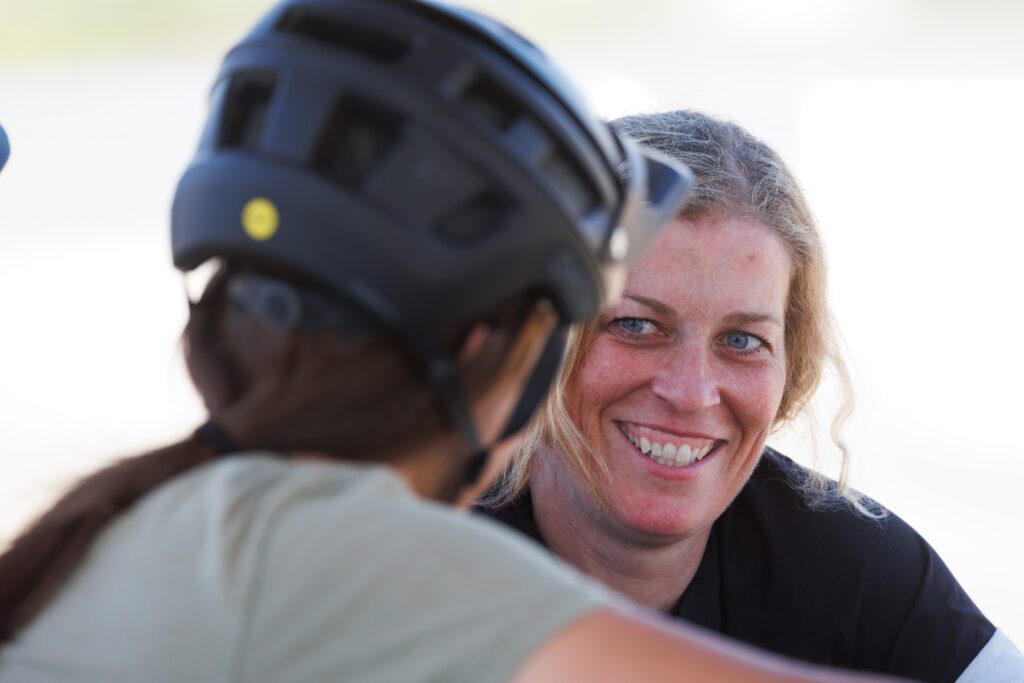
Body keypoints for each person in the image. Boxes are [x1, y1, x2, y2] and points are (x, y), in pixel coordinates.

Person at [0, 2, 908, 682]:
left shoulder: (161, 520)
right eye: (622, 322)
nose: (685, 382)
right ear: (491, 343)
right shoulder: (332, 544)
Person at [477, 108, 1024, 682]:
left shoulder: (854, 567)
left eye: (742, 340)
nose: (691, 393)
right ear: (538, 333)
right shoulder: (421, 528)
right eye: (636, 325)